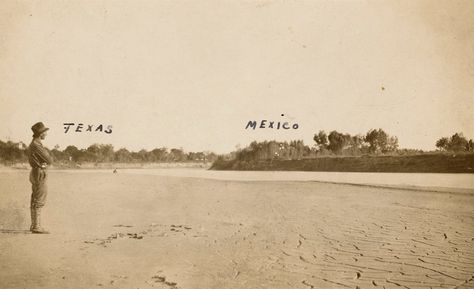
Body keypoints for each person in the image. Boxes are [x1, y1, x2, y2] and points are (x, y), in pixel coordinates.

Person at [28, 122, 53, 234]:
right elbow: (49, 160)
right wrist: (45, 162)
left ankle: (34, 225)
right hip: (39, 172)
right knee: (39, 199)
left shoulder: (34, 144)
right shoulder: (36, 145)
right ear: (40, 133)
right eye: (44, 132)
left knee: (35, 198)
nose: (46, 134)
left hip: (35, 172)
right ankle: (36, 226)